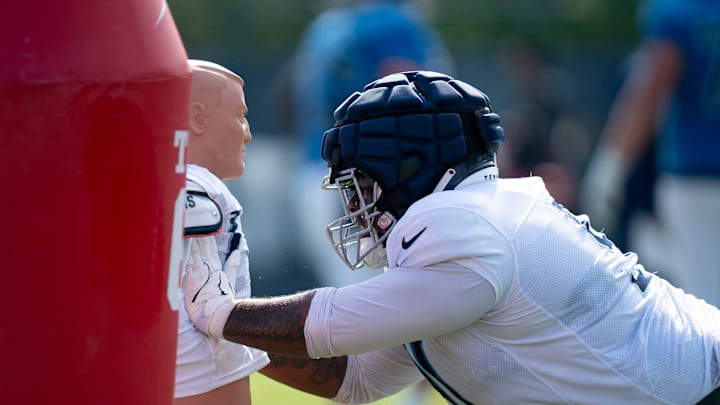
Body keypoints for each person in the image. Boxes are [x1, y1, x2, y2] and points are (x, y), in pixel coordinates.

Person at [181, 71, 720, 404]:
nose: (353, 206)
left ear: (408, 171)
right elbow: (352, 379)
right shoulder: (480, 223)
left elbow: (328, 326)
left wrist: (217, 313)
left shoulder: (455, 223)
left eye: (361, 184)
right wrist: (222, 334)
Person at [280, 0, 454, 288]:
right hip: (346, 169)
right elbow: (406, 97)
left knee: (355, 289)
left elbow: (410, 100)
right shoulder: (365, 22)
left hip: (342, 170)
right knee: (364, 290)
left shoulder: (355, 23)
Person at [580, 0, 720, 308]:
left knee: (706, 302)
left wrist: (611, 165)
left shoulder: (679, 10)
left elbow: (649, 91)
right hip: (695, 180)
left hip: (694, 179)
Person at [174, 59, 269, 404]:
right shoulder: (198, 186)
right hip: (203, 364)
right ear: (198, 118)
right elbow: (206, 302)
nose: (247, 132)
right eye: (240, 116)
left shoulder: (158, 178)